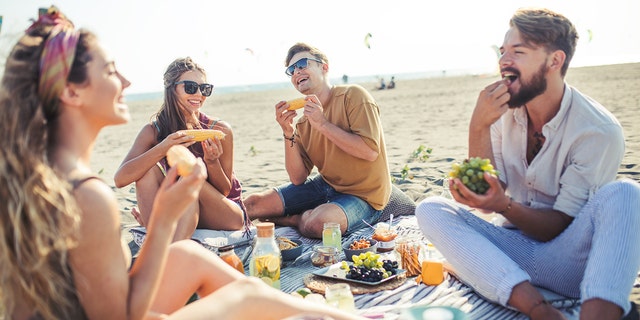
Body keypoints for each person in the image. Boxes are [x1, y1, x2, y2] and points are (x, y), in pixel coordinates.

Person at [0, 7, 364, 320]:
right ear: (71, 92)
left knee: (190, 254)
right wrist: (162, 220)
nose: (126, 81)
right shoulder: (89, 196)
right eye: (111, 71)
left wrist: (188, 191)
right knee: (244, 295)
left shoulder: (35, 174)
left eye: (205, 89)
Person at [415, 8, 640, 320]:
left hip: (568, 263)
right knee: (430, 208)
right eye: (503, 51)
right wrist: (478, 126)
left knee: (626, 193)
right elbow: (485, 196)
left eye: (518, 52)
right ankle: (541, 311)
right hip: (513, 249)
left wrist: (504, 206)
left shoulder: (597, 130)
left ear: (555, 61)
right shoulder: (501, 111)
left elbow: (557, 227)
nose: (504, 60)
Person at [244, 42, 392, 239]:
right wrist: (287, 131)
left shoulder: (353, 96)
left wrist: (322, 124)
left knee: (319, 224)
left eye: (303, 64)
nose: (296, 72)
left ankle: (294, 220)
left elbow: (369, 151)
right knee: (252, 204)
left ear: (324, 67)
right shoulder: (304, 123)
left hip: (366, 195)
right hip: (326, 185)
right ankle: (305, 212)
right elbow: (298, 178)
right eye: (291, 70)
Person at [114, 57, 248, 241]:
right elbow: (121, 178)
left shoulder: (219, 129)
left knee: (189, 180)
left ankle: (170, 247)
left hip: (226, 215)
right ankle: (161, 236)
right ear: (172, 88)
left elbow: (225, 191)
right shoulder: (153, 132)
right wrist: (163, 147)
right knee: (146, 171)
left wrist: (212, 162)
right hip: (182, 211)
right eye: (191, 87)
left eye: (205, 88)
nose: (199, 94)